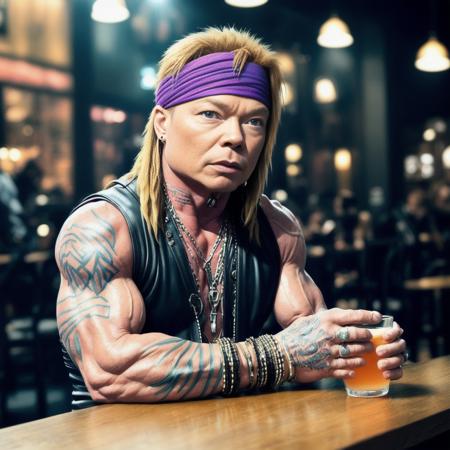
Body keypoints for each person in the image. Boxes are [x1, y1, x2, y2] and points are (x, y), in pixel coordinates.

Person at [55, 27, 406, 409]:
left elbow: (310, 351)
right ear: (162, 123)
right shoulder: (103, 226)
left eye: (254, 121)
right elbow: (111, 371)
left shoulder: (278, 229)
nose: (235, 137)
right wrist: (277, 355)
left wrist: (350, 349)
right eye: (210, 114)